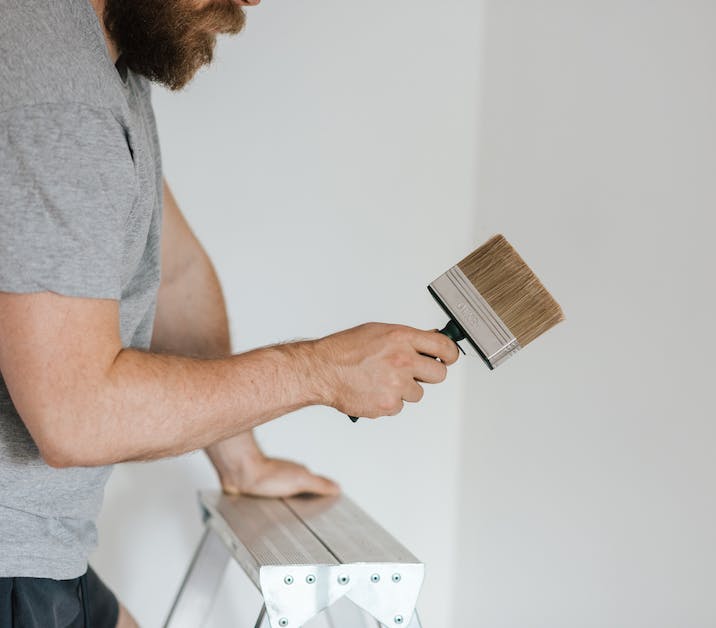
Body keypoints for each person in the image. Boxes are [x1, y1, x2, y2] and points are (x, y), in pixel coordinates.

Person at [0, 0, 460, 625]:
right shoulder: (58, 98)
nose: (250, 1)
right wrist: (316, 372)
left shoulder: (98, 56)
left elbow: (173, 272)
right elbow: (76, 416)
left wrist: (239, 457)